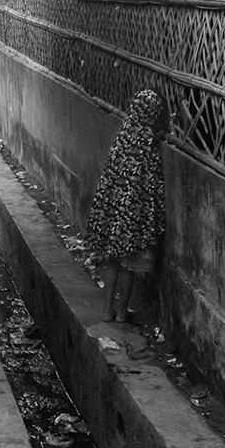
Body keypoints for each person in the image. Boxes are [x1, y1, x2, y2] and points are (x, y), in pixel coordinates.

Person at [83, 90, 166, 322]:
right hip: (134, 214)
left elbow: (109, 176)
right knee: (129, 265)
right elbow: (153, 182)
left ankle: (106, 310)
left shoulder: (123, 135)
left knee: (112, 262)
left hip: (113, 210)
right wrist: (156, 217)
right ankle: (122, 313)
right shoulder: (149, 141)